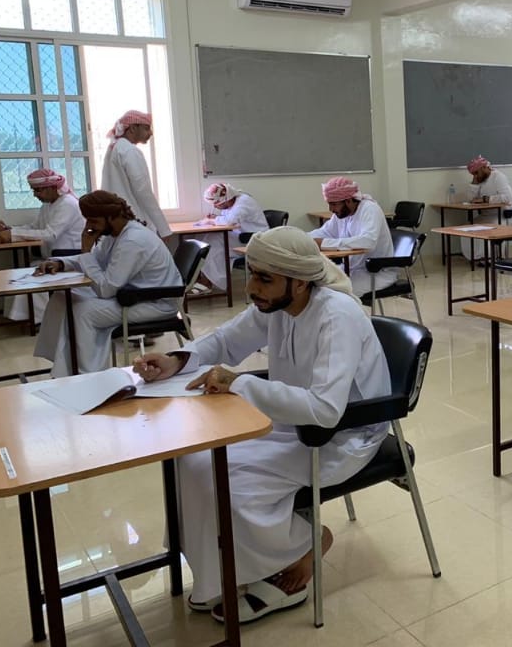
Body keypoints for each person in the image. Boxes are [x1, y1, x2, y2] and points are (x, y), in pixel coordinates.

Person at [132, 227, 391, 624]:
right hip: (290, 422)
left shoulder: (336, 316)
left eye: (264, 278)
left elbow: (325, 410)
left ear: (299, 282)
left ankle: (302, 547)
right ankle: (218, 575)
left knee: (232, 486)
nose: (252, 287)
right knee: (193, 459)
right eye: (251, 274)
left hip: (342, 436)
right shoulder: (279, 304)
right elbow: (226, 340)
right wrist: (176, 360)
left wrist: (240, 384)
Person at [33, 190, 182, 377]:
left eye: (93, 221)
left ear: (110, 217)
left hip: (155, 302)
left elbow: (106, 289)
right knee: (62, 298)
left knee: (83, 312)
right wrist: (61, 263)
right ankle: (65, 365)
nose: (89, 226)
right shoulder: (116, 234)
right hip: (132, 295)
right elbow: (96, 260)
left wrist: (85, 250)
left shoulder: (133, 240)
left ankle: (90, 375)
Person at [0, 168, 85, 324]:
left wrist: (12, 235)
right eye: (33, 190)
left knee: (35, 278)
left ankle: (42, 321)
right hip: (50, 259)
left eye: (38, 190)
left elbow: (50, 234)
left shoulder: (67, 204)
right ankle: (18, 318)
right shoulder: (48, 205)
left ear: (52, 187)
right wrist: (8, 229)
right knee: (18, 276)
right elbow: (34, 227)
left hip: (68, 260)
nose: (35, 195)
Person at [309, 177, 394, 297]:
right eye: (329, 204)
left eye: (334, 204)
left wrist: (324, 243)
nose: (331, 209)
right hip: (351, 269)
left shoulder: (370, 209)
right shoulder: (342, 214)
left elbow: (368, 241)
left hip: (375, 272)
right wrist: (302, 239)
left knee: (334, 293)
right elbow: (325, 232)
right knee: (313, 283)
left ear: (348, 201)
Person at [100, 110, 171, 240]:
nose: (150, 133)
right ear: (132, 128)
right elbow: (144, 192)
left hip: (117, 223)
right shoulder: (130, 151)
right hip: (134, 224)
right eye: (146, 128)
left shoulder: (114, 148)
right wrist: (163, 229)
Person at [196, 182, 269, 292]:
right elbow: (230, 217)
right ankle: (206, 279)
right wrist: (216, 218)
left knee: (212, 243)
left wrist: (212, 221)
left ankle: (208, 282)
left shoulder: (244, 202)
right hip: (241, 236)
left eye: (217, 203)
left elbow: (230, 221)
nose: (215, 206)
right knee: (206, 240)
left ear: (226, 199)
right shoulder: (233, 200)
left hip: (252, 239)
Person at [461, 155, 512, 260]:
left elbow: (506, 198)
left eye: (476, 173)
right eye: (473, 174)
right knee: (466, 228)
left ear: (483, 167)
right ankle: (474, 257)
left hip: (504, 215)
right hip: (487, 215)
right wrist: (474, 183)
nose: (475, 176)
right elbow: (470, 199)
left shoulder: (498, 177)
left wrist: (486, 199)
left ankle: (489, 258)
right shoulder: (480, 179)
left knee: (485, 229)